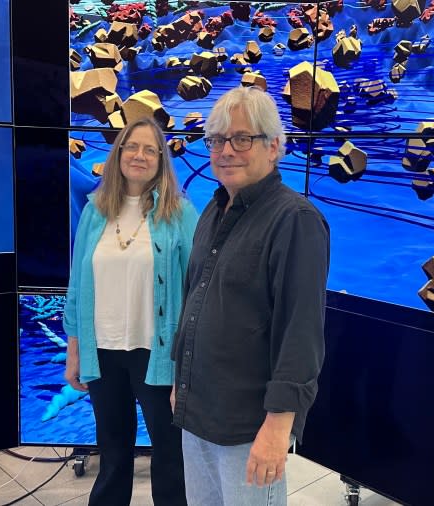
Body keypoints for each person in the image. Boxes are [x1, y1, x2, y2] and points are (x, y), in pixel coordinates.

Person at [171, 86, 330, 505]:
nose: (226, 151)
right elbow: (195, 300)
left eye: (242, 139)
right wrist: (179, 381)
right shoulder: (213, 208)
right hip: (197, 411)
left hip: (247, 425)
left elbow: (301, 333)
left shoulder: (296, 221)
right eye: (217, 140)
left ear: (274, 146)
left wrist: (278, 428)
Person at [63, 117, 198, 506]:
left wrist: (186, 366)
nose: (140, 155)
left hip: (156, 355)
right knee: (113, 451)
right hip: (102, 352)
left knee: (170, 455)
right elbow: (77, 286)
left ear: (161, 160)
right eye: (132, 147)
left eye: (150, 149)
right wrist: (75, 350)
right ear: (119, 153)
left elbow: (196, 291)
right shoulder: (94, 211)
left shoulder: (180, 214)